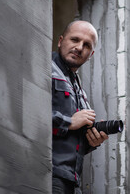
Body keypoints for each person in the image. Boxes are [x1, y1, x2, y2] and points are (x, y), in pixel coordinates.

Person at [51, 20, 109, 194]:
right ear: (61, 41)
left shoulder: (80, 92)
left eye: (86, 45)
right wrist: (69, 122)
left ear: (90, 54)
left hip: (73, 180)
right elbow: (30, 115)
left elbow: (69, 138)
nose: (79, 47)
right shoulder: (46, 69)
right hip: (50, 172)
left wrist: (92, 141)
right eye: (74, 39)